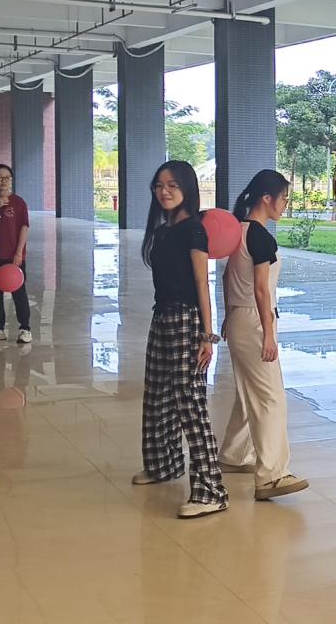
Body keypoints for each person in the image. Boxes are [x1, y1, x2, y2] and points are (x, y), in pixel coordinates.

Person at [131, 160, 228, 519]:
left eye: (172, 185)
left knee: (190, 404)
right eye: (159, 185)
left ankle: (211, 491)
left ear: (187, 188)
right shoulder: (162, 232)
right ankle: (164, 464)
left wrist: (207, 335)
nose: (164, 191)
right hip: (161, 318)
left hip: (187, 321)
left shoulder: (194, 231)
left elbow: (202, 283)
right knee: (156, 397)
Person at [217, 169, 310, 501]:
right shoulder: (260, 237)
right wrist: (268, 333)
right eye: (283, 198)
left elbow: (228, 278)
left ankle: (232, 456)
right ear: (266, 198)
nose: (285, 204)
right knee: (270, 397)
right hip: (255, 320)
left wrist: (229, 315)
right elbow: (260, 290)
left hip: (239, 318)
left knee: (249, 394)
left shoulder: (238, 230)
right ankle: (271, 475)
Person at [0, 164, 32, 344]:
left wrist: (19, 252)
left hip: (14, 256)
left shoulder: (19, 202)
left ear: (12, 180)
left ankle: (25, 329)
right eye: (0, 177)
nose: (4, 181)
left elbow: (24, 227)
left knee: (19, 293)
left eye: (7, 177)